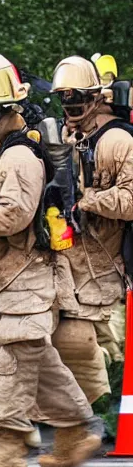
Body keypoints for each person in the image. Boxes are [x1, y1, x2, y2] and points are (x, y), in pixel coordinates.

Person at [0, 51, 99, 467]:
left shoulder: (17, 155)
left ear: (6, 107)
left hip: (30, 269)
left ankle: (9, 448)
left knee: (16, 353)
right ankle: (72, 433)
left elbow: (14, 212)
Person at [49, 55, 133, 403]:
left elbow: (130, 200)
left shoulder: (118, 141)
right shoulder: (66, 141)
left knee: (104, 348)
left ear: (97, 95)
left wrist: (87, 200)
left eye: (77, 95)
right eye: (63, 96)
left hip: (113, 270)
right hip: (75, 268)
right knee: (75, 347)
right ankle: (90, 422)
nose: (70, 103)